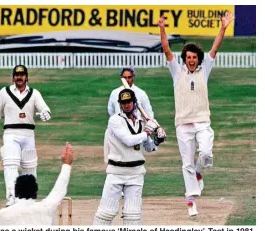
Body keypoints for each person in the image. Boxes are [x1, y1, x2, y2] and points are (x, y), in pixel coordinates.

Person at [157, 11, 235, 216]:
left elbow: (215, 47)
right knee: (187, 163)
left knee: (206, 153)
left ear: (198, 58)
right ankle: (191, 200)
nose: (191, 60)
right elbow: (166, 49)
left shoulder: (205, 68)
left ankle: (199, 172)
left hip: (202, 120)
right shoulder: (177, 71)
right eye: (188, 57)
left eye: (194, 57)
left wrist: (223, 28)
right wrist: (162, 29)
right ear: (185, 59)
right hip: (183, 123)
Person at [93, 88, 166, 225]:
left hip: (136, 173)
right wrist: (148, 131)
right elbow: (129, 140)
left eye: (129, 102)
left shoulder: (142, 121)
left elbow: (148, 147)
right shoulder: (115, 120)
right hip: (116, 172)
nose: (126, 105)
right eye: (124, 102)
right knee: (105, 214)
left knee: (133, 216)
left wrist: (158, 140)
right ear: (120, 104)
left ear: (134, 102)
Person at [0, 64, 52, 206]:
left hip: (28, 134)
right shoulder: (4, 92)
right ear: (13, 77)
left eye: (22, 75)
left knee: (29, 167)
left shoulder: (34, 93)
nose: (19, 78)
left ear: (27, 77)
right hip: (11, 133)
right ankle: (12, 197)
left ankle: (29, 199)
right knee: (11, 163)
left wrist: (46, 113)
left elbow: (44, 107)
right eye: (16, 75)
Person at [0, 142, 74, 225]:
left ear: (16, 191)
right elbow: (59, 191)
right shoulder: (46, 209)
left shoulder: (1, 215)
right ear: (35, 193)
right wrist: (67, 164)